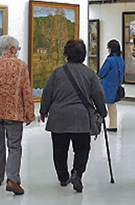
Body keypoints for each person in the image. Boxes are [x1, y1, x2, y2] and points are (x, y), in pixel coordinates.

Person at [40, 39, 107, 192]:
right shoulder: (90, 74)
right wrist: (103, 112)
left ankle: (63, 177)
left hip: (59, 118)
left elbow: (47, 93)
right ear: (83, 55)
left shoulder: (57, 72)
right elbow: (98, 95)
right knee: (82, 149)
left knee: (59, 150)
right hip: (81, 118)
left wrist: (43, 110)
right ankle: (77, 173)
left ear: (66, 55)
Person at [0, 35, 35, 195]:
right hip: (14, 112)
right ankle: (12, 179)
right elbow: (26, 91)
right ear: (13, 48)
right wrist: (30, 113)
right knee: (14, 146)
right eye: (18, 48)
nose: (18, 51)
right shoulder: (21, 66)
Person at [98, 39, 125, 132]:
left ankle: (97, 124)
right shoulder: (121, 60)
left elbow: (102, 72)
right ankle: (113, 125)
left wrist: (99, 77)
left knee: (99, 104)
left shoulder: (109, 60)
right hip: (116, 85)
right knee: (112, 107)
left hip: (106, 85)